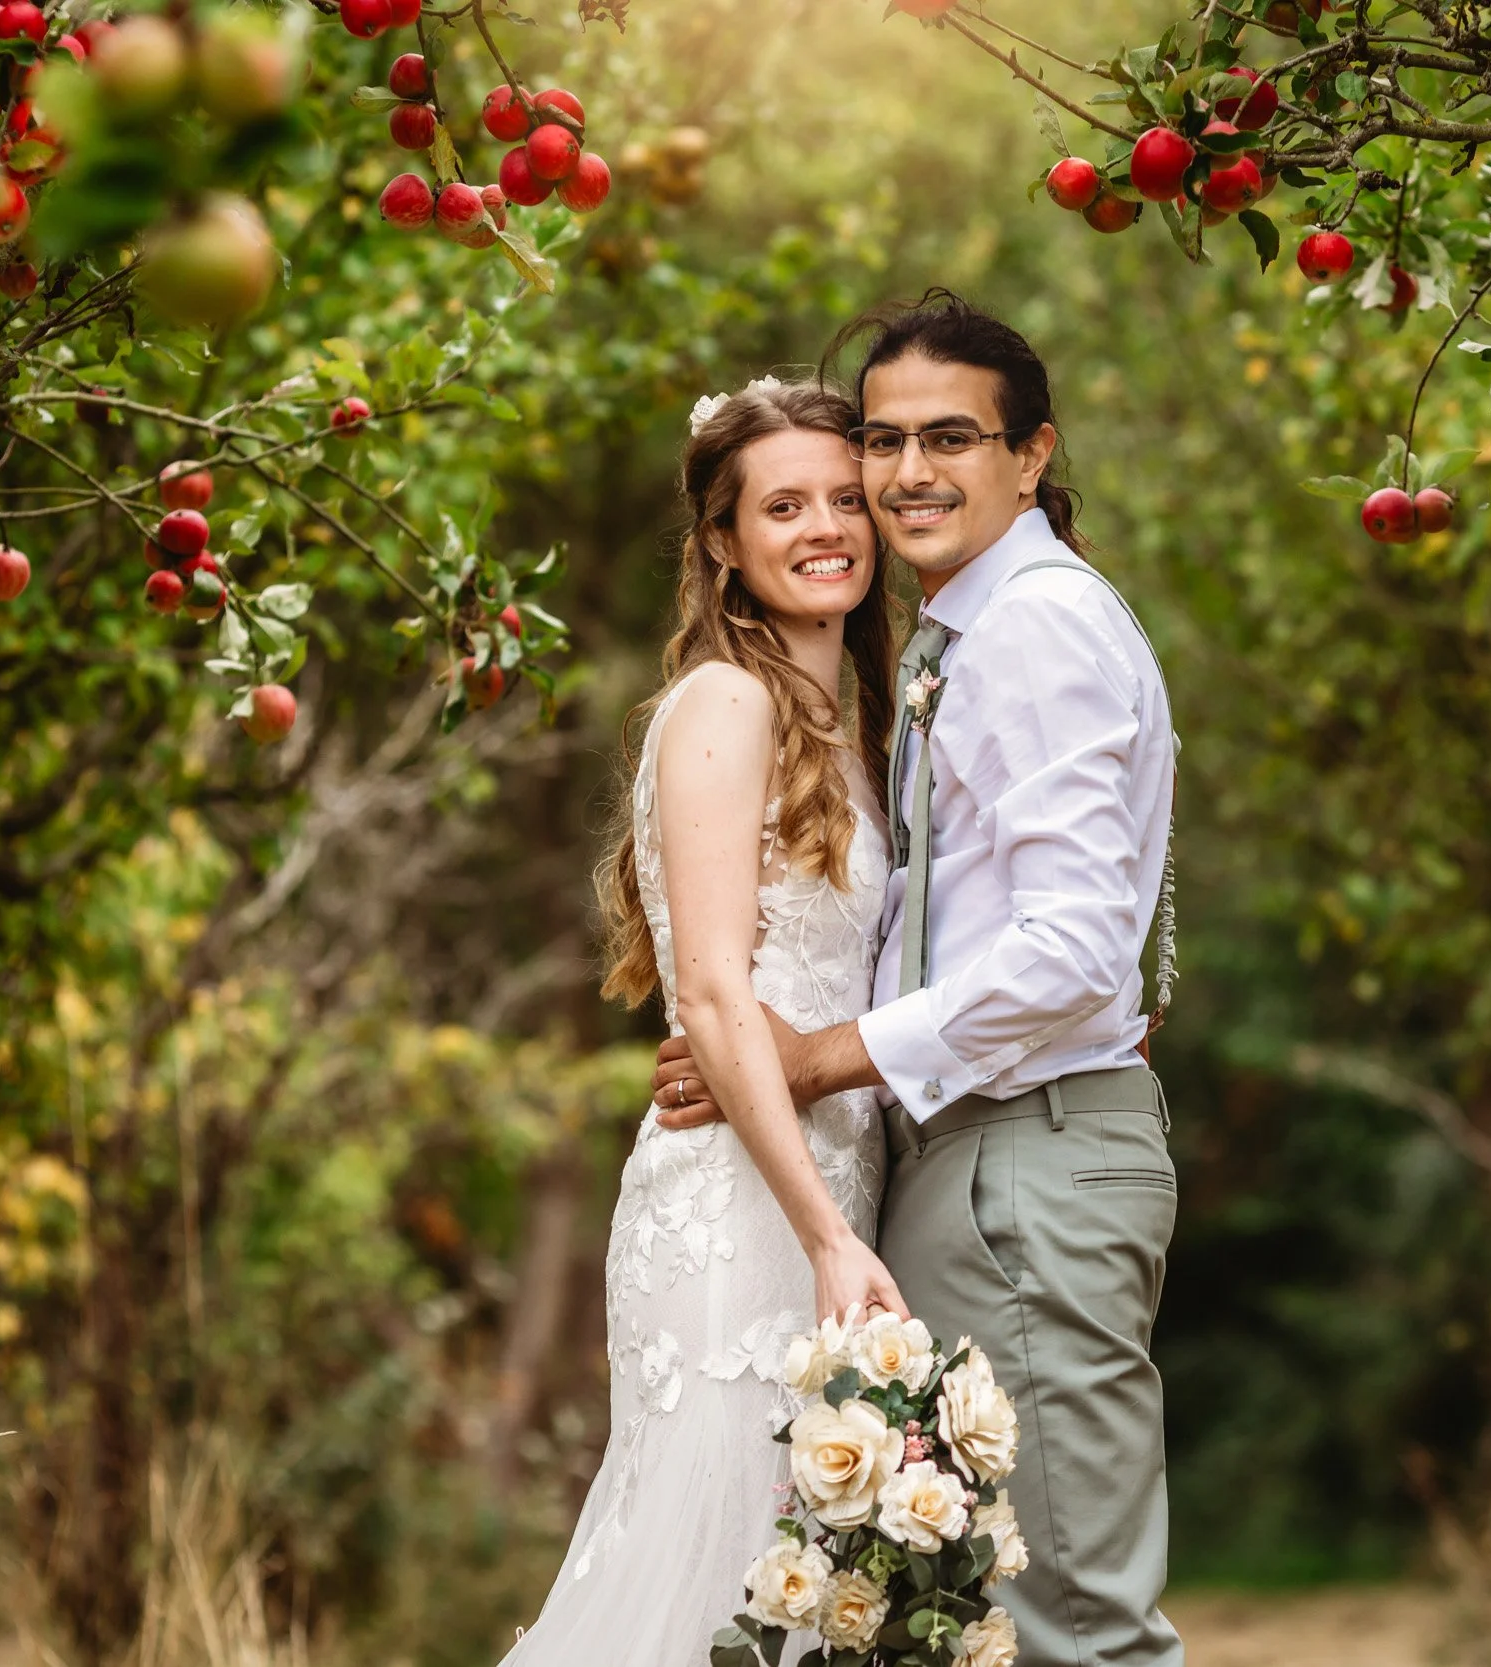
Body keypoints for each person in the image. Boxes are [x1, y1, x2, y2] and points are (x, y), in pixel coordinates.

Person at [654, 293, 1185, 1666]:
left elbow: (1075, 952)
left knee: (1073, 1630)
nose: (903, 477)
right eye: (882, 441)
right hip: (959, 1159)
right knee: (971, 1619)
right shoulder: (941, 651)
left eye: (949, 437)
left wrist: (815, 1051)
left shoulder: (1033, 628)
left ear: (1035, 453)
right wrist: (757, 1043)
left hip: (1024, 1159)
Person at [499, 376, 908, 1667]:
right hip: (750, 1206)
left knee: (796, 1584)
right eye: (783, 506)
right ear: (723, 545)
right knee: (718, 1574)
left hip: (830, 1179)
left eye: (847, 499)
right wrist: (827, 1235)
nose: (825, 526)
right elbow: (722, 995)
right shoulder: (728, 704)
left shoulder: (855, 725)